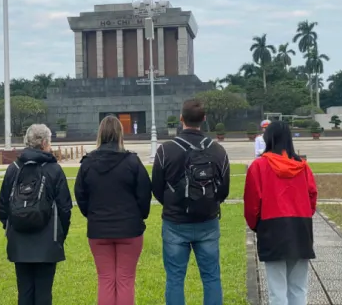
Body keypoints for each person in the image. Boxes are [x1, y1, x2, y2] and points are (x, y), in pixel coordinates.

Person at [152, 98, 231, 305]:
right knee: (211, 277)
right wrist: (210, 203)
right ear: (204, 119)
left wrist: (172, 205)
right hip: (208, 221)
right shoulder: (218, 150)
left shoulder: (165, 150)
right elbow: (224, 189)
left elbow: (157, 188)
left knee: (175, 279)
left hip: (175, 222)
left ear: (181, 119)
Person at [75, 115, 152, 305]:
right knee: (125, 280)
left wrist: (92, 215)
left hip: (99, 229)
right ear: (120, 134)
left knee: (105, 280)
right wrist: (139, 216)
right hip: (129, 228)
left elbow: (81, 195)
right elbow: (144, 194)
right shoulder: (132, 162)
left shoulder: (87, 164)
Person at [244, 121, 318, 305]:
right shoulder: (303, 166)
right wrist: (304, 215)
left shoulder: (259, 166)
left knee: (276, 290)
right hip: (300, 227)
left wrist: (256, 225)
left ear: (268, 138)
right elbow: (312, 196)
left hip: (272, 227)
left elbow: (252, 203)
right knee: (299, 288)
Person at [0, 124, 72, 305]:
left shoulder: (14, 168)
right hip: (47, 240)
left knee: (24, 291)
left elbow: (3, 206)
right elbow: (65, 208)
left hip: (19, 239)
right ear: (45, 143)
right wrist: (61, 234)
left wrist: (11, 225)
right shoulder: (54, 169)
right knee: (44, 292)